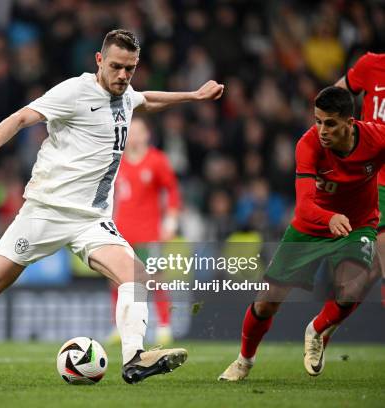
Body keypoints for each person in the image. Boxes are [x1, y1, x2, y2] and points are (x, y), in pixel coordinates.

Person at [0, 29, 224, 384]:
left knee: (136, 276)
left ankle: (134, 358)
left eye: (131, 69)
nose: (124, 76)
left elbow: (146, 100)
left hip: (91, 219)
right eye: (118, 67)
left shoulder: (125, 94)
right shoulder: (74, 92)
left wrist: (194, 96)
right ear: (99, 60)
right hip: (45, 211)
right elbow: (20, 118)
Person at [219, 86, 384, 381]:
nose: (322, 129)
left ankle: (317, 330)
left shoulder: (376, 138)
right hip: (311, 227)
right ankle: (244, 360)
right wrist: (330, 217)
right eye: (318, 120)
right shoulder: (308, 145)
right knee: (266, 301)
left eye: (330, 123)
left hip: (358, 225)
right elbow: (305, 206)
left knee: (354, 286)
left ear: (350, 121)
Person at [109, 116, 181, 345]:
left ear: (147, 135)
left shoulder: (156, 160)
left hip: (149, 233)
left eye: (139, 131)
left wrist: (170, 222)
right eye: (131, 131)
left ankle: (164, 325)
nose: (134, 136)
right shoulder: (117, 161)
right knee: (117, 280)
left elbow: (172, 191)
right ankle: (119, 326)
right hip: (122, 231)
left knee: (155, 279)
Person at [335, 52, 385, 308]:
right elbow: (336, 96)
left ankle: (319, 328)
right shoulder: (371, 65)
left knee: (373, 272)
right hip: (376, 182)